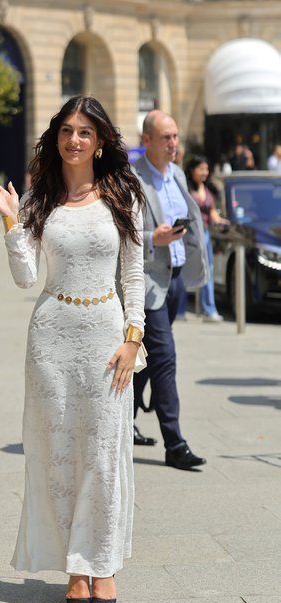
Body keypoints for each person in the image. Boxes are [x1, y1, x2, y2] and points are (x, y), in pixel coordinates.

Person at [0, 96, 145, 603]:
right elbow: (27, 276)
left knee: (102, 456)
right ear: (56, 138)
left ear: (100, 143)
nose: (75, 140)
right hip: (50, 340)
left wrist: (132, 339)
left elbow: (134, 274)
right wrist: (10, 222)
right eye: (67, 130)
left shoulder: (123, 195)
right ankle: (76, 568)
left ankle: (104, 565)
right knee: (59, 459)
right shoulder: (38, 200)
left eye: (86, 132)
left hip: (106, 340)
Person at [132, 110, 209, 470]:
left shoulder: (177, 174)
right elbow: (123, 232)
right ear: (147, 140)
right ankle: (174, 444)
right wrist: (153, 238)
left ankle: (125, 418)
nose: (173, 144)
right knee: (164, 358)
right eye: (166, 137)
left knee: (147, 355)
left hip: (176, 278)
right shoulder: (133, 179)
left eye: (175, 136)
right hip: (148, 280)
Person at [185, 155, 230, 322]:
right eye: (201, 169)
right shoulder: (186, 187)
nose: (205, 172)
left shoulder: (209, 189)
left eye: (206, 169)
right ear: (192, 170)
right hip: (188, 233)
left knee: (208, 270)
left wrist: (221, 222)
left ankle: (209, 308)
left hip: (204, 233)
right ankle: (180, 309)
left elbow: (212, 214)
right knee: (184, 270)